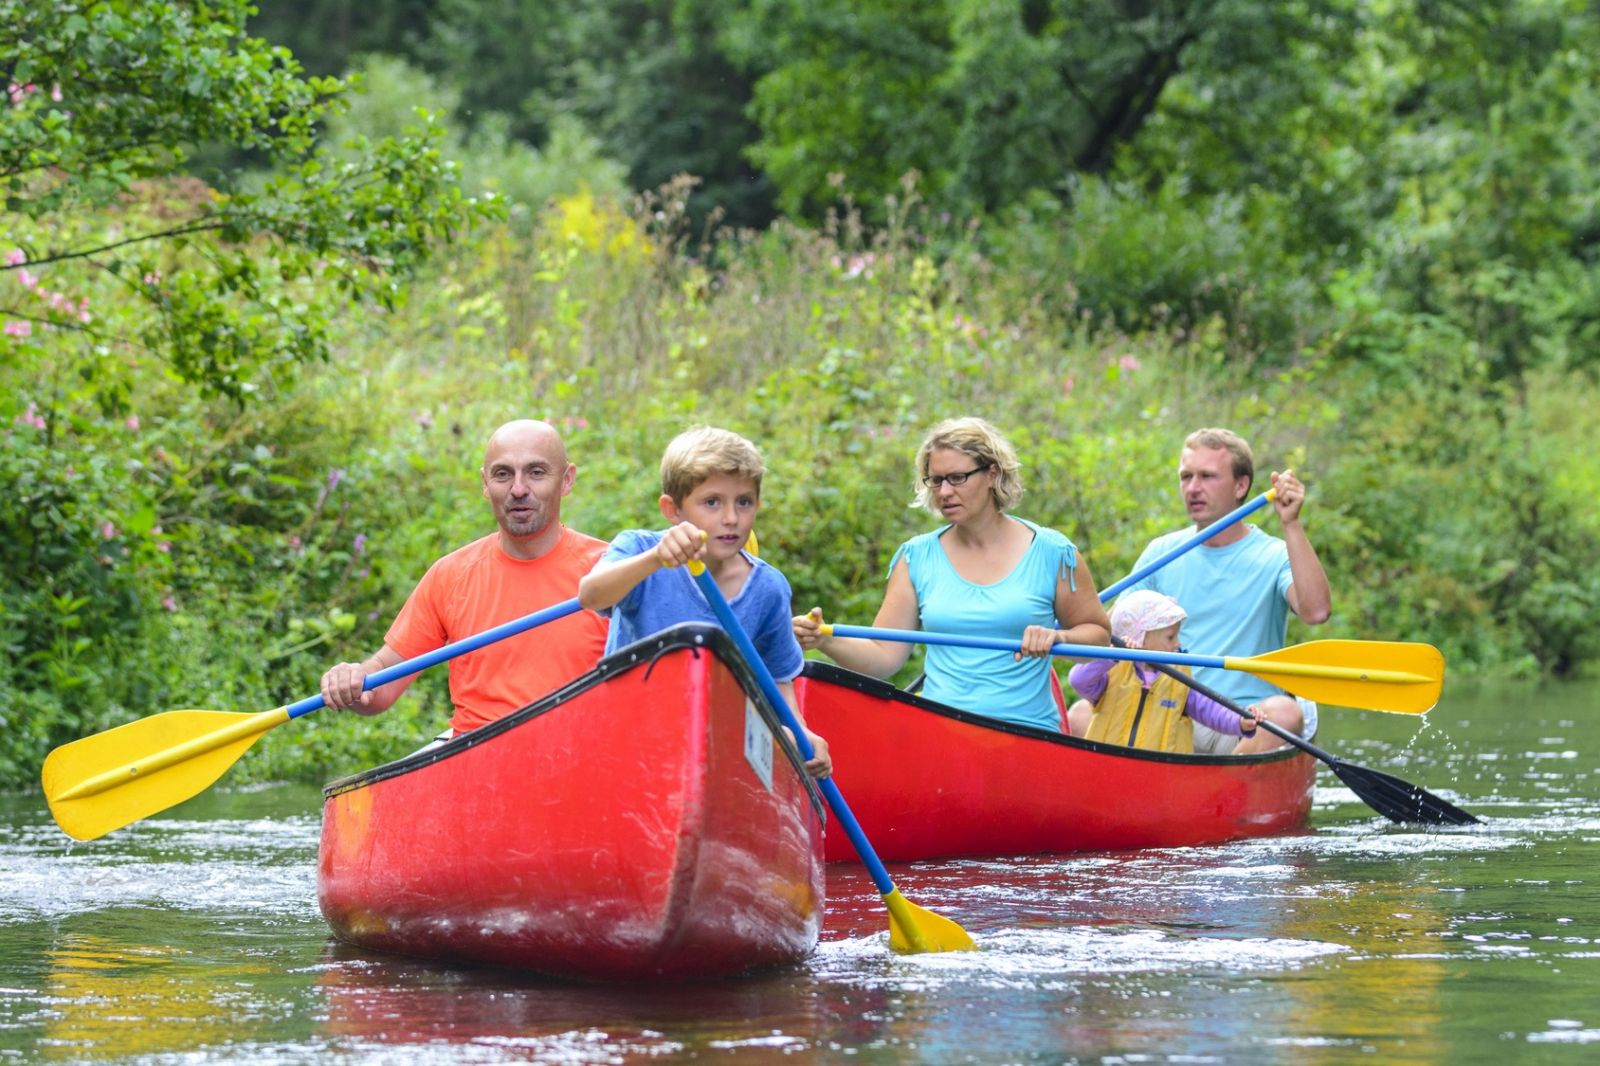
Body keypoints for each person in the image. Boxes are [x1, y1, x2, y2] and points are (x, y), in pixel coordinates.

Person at [793, 417, 1110, 732]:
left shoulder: (1053, 552)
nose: (944, 491)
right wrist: (823, 639)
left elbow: (1098, 635)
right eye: (936, 480)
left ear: (992, 474)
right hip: (942, 734)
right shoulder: (916, 557)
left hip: (1027, 735)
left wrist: (1060, 637)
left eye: (957, 478)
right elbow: (882, 656)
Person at [319, 420, 609, 737]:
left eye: (536, 472)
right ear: (485, 483)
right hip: (476, 765)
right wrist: (354, 679)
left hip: (580, 757)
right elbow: (380, 686)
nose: (518, 489)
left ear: (566, 480)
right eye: (503, 474)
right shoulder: (451, 575)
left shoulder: (610, 572)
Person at [577, 426, 832, 778]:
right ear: (673, 509)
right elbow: (590, 595)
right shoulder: (638, 548)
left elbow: (777, 678)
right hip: (627, 738)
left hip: (715, 752)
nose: (731, 518)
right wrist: (654, 559)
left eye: (743, 502)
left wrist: (800, 731)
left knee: (781, 739)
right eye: (712, 502)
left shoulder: (768, 588)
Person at [1119, 427, 1331, 754]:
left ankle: (1222, 796)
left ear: (1241, 485)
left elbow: (1316, 612)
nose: (1193, 488)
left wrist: (1291, 524)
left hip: (1245, 724)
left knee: (1287, 713)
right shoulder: (1161, 553)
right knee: (1079, 715)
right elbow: (1109, 633)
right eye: (1185, 476)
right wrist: (1061, 636)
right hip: (1169, 715)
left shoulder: (1274, 555)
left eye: (1207, 476)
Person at [1065, 590, 1285, 753]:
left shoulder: (1178, 678)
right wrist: (1112, 656)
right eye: (1170, 637)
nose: (1177, 643)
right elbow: (1078, 680)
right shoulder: (1112, 671)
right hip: (1111, 768)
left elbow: (1210, 710)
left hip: (1161, 773)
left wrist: (1240, 722)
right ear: (1139, 639)